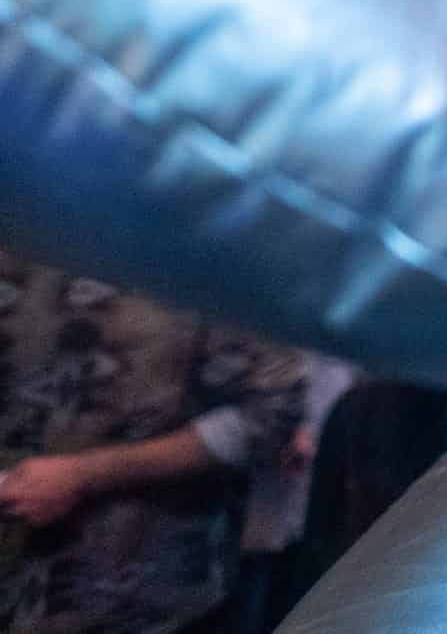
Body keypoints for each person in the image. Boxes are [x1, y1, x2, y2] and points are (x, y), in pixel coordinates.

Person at [0, 252, 302, 634]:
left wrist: (86, 474)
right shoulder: (20, 231)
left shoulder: (202, 254)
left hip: (136, 597)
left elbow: (271, 410)